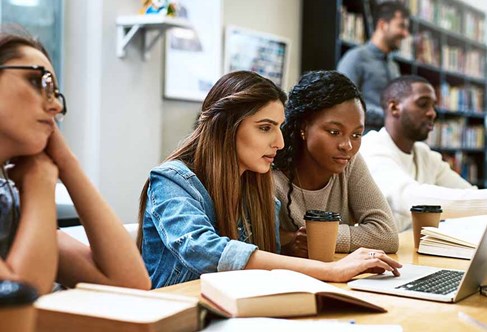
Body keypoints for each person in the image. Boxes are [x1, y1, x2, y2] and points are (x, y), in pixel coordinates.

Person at [137, 70, 402, 288]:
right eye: (265, 128)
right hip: (176, 317)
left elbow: (266, 263)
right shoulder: (172, 181)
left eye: (278, 127)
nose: (279, 142)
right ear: (225, 127)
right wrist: (330, 270)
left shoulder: (256, 184)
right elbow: (205, 251)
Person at [0, 27, 150, 294]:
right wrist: (40, 181)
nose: (55, 106)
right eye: (37, 81)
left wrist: (66, 163)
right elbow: (17, 313)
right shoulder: (33, 185)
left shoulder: (8, 200)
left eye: (55, 93)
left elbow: (130, 284)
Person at [272, 70, 398, 259]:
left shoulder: (350, 163)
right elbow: (256, 241)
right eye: (334, 132)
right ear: (303, 127)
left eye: (356, 135)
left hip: (337, 276)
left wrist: (320, 237)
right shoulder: (270, 170)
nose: (347, 146)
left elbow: (387, 235)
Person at [360, 75, 487, 231]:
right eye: (423, 104)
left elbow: (468, 193)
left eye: (433, 106)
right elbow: (410, 199)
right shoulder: (371, 148)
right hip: (377, 252)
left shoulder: (425, 155)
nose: (432, 113)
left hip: (412, 249)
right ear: (394, 108)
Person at [337, 1, 410, 132]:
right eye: (401, 26)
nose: (405, 34)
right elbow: (343, 103)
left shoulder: (394, 66)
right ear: (383, 25)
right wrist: (390, 116)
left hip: (391, 140)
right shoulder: (355, 58)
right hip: (364, 143)